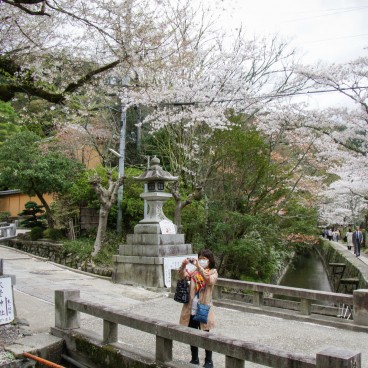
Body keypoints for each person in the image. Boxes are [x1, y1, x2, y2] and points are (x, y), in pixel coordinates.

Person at [178, 249, 218, 368]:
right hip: (191, 308)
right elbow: (181, 276)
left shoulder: (213, 272)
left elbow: (208, 280)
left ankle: (208, 360)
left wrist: (199, 267)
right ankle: (194, 358)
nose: (202, 260)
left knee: (206, 335)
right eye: (200, 258)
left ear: (210, 261)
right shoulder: (194, 272)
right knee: (192, 333)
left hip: (204, 307)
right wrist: (183, 265)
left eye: (204, 259)